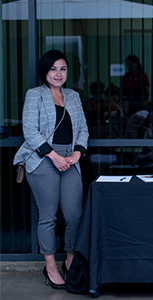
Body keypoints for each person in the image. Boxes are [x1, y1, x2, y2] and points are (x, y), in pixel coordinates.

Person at [13, 50, 89, 289]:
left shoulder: (74, 96)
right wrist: (54, 156)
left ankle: (68, 260)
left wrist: (77, 153)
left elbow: (83, 130)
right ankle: (51, 267)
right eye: (53, 68)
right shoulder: (35, 95)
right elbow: (30, 132)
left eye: (63, 69)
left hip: (70, 159)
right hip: (43, 158)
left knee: (74, 214)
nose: (58, 73)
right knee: (48, 216)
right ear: (45, 71)